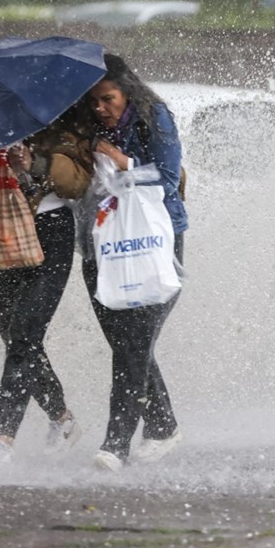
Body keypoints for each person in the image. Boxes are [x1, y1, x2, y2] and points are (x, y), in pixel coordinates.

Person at [75, 53, 188, 473]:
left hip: (154, 242)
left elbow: (168, 173)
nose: (101, 109)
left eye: (107, 99)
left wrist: (125, 164)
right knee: (126, 345)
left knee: (134, 343)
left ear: (127, 92)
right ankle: (162, 427)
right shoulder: (84, 131)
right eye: (93, 103)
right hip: (100, 245)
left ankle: (115, 444)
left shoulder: (153, 116)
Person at [0, 109, 94, 462]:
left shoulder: (70, 121)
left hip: (52, 233)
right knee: (15, 340)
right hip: (1, 227)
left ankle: (4, 440)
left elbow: (79, 183)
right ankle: (64, 419)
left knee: (24, 336)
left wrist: (34, 162)